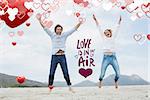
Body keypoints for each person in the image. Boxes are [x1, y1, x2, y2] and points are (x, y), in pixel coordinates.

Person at [37, 13, 82, 92]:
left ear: (62, 30)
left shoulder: (64, 35)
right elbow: (45, 28)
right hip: (54, 56)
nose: (59, 30)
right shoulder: (52, 35)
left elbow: (73, 29)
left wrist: (80, 23)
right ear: (55, 30)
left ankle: (70, 87)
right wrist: (40, 20)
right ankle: (50, 87)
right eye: (57, 29)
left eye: (60, 29)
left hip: (62, 56)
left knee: (65, 72)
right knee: (51, 72)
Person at [93, 14, 122, 89]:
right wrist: (95, 20)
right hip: (106, 57)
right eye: (105, 33)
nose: (106, 34)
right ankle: (100, 82)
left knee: (118, 74)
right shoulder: (103, 38)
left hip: (113, 57)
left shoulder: (113, 37)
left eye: (107, 32)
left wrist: (119, 21)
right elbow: (99, 28)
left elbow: (117, 28)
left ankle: (115, 81)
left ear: (110, 33)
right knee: (102, 73)